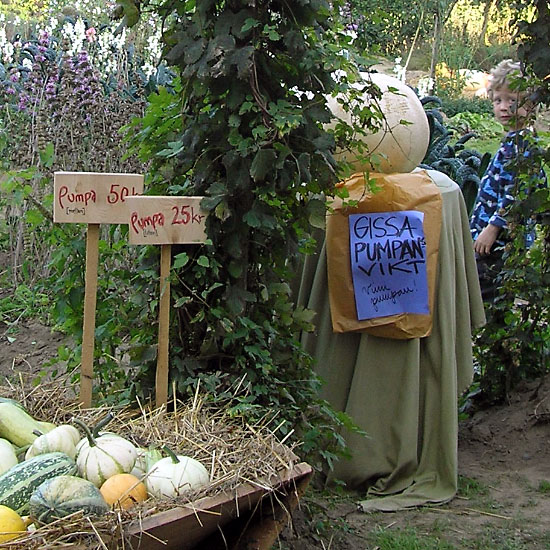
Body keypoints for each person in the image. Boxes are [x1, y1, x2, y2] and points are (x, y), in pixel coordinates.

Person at [470, 59, 547, 302]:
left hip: (500, 242)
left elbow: (518, 193)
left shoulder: (522, 144)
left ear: (530, 105)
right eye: (498, 100)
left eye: (513, 101)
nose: (504, 107)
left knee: (488, 296)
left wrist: (492, 229)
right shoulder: (512, 140)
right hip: (490, 238)